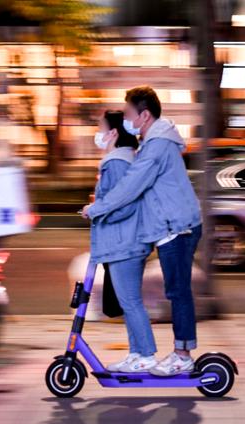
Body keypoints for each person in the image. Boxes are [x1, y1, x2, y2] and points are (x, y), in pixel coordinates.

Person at [83, 86, 203, 376]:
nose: (125, 119)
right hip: (170, 227)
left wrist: (96, 209)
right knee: (175, 291)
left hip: (178, 228)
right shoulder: (153, 142)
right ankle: (160, 353)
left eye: (128, 114)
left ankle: (182, 355)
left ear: (144, 115)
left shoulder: (157, 146)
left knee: (178, 292)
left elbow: (130, 187)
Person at [89, 110, 157, 373]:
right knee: (128, 302)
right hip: (126, 241)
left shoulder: (116, 162)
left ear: (113, 133)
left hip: (124, 243)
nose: (98, 134)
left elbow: (123, 204)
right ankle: (136, 355)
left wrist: (94, 209)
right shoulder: (125, 159)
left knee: (130, 302)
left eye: (100, 128)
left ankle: (146, 355)